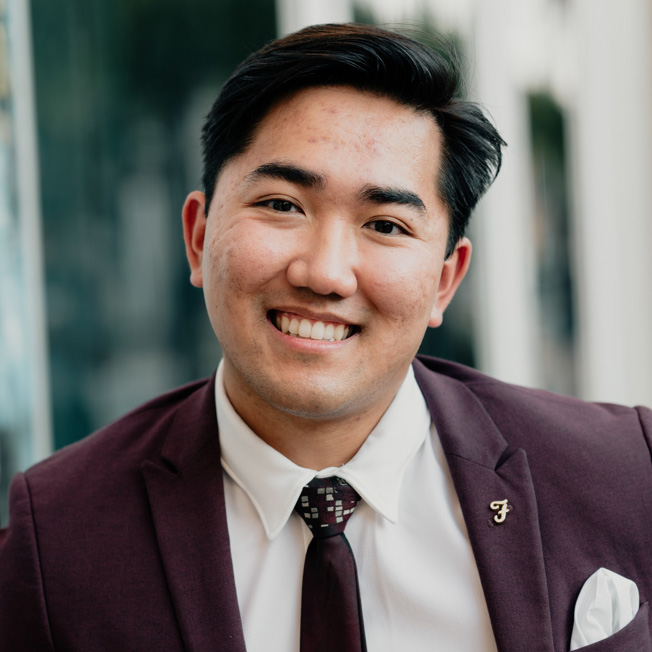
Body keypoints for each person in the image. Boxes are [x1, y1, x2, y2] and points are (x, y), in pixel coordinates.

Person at [1, 22, 651, 652]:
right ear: (199, 237)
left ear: (445, 282)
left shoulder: (624, 473)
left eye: (386, 225)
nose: (324, 273)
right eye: (282, 205)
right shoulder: (59, 539)